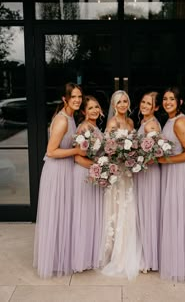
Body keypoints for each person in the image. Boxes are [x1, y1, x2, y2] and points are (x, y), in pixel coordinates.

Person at [33, 82, 83, 278]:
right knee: (56, 213)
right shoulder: (62, 120)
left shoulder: (71, 118)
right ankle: (54, 260)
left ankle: (61, 256)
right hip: (56, 171)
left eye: (80, 96)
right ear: (65, 99)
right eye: (74, 97)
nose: (78, 100)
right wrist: (77, 150)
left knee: (63, 213)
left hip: (66, 168)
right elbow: (51, 151)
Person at [158, 86, 185, 282]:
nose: (167, 102)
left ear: (180, 102)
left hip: (181, 174)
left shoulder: (180, 122)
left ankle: (180, 264)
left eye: (172, 99)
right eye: (165, 99)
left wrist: (162, 161)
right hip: (172, 172)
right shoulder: (170, 120)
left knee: (180, 217)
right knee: (175, 217)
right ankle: (175, 259)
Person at [99, 90, 141, 280]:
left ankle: (127, 249)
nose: (123, 104)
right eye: (119, 102)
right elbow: (107, 149)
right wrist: (120, 154)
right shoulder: (112, 123)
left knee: (129, 209)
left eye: (125, 101)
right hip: (118, 173)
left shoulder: (131, 123)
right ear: (114, 105)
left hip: (129, 173)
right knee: (116, 210)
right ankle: (114, 253)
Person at [72, 95, 104, 272]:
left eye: (97, 107)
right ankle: (81, 258)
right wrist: (101, 166)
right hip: (84, 174)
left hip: (92, 173)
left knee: (91, 215)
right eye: (90, 108)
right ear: (83, 111)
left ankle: (90, 255)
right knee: (84, 215)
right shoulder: (84, 127)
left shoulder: (94, 127)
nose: (94, 110)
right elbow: (78, 157)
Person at [134, 91, 161, 273]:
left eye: (148, 104)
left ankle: (149, 258)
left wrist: (133, 159)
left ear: (156, 108)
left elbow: (153, 157)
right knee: (144, 212)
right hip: (143, 174)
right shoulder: (145, 122)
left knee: (149, 213)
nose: (144, 106)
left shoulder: (151, 126)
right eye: (143, 102)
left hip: (148, 175)